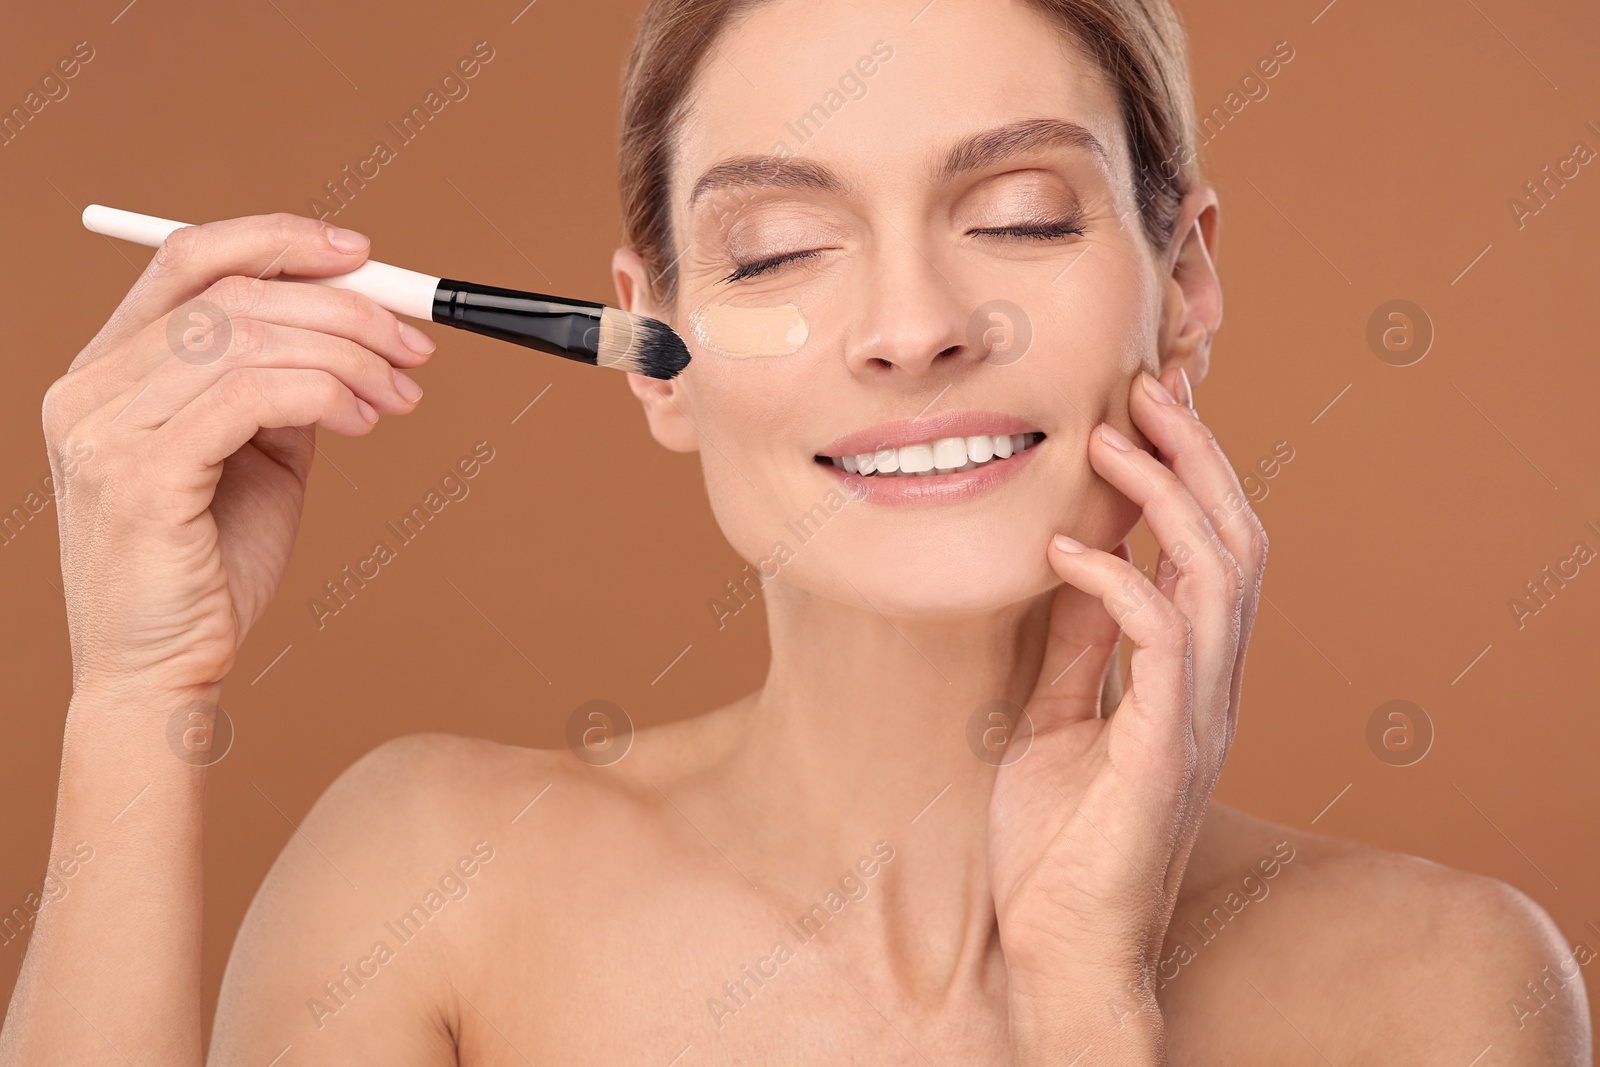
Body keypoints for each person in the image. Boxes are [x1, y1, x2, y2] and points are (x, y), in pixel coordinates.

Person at [5, 0, 1589, 1063]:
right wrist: (136, 700)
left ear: (1185, 284)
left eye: (1020, 215)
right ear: (651, 350)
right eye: (776, 251)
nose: (908, 326)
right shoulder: (433, 887)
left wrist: (1084, 1004)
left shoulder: (1444, 992)